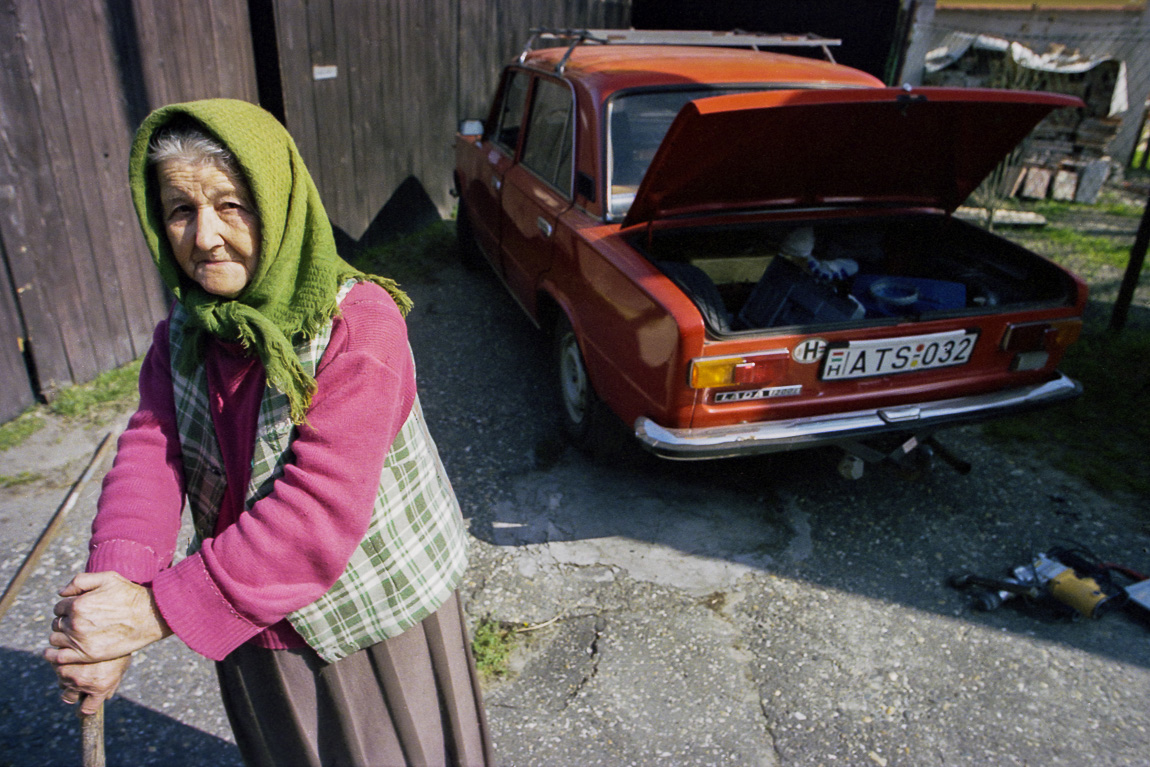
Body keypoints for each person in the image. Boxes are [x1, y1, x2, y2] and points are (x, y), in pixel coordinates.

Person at [43, 98, 494, 766]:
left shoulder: (358, 325)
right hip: (246, 617)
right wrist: (110, 599)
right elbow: (151, 454)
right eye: (180, 209)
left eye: (230, 205)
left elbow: (317, 513)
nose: (205, 236)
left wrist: (151, 613)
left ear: (277, 202)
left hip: (371, 622)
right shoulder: (187, 331)